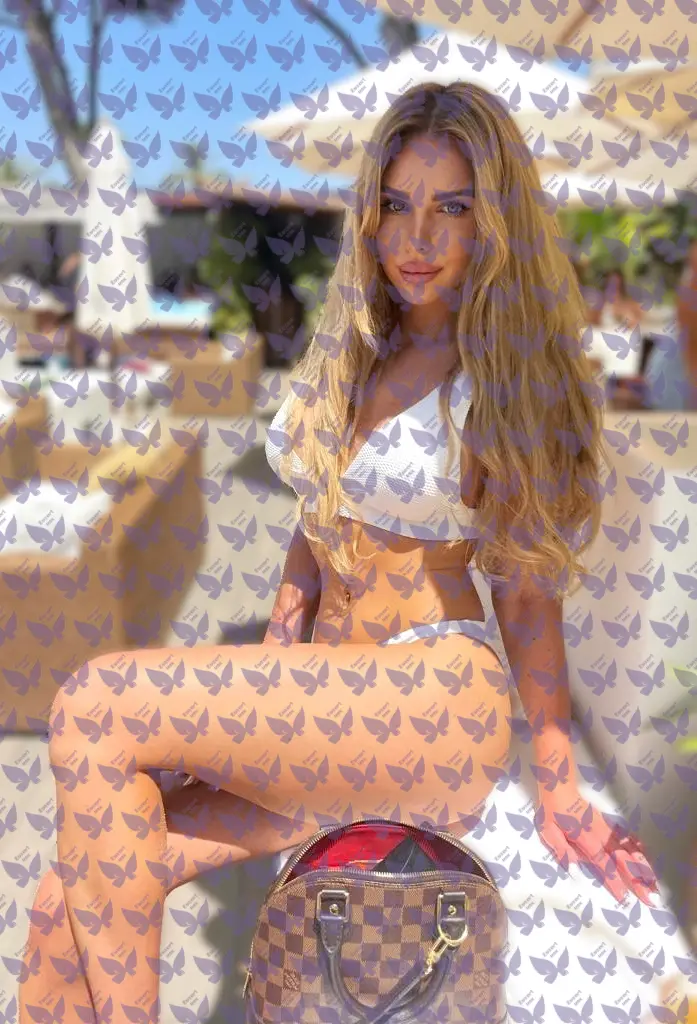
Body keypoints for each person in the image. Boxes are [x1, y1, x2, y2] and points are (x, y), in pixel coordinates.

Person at [21, 82, 670, 1023]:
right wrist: (271, 664)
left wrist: (559, 780)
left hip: (431, 700)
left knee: (93, 705)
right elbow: (315, 523)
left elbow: (527, 598)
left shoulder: (500, 379)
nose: (418, 237)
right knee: (62, 906)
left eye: (453, 208)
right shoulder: (355, 352)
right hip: (330, 705)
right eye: (397, 205)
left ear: (493, 223)